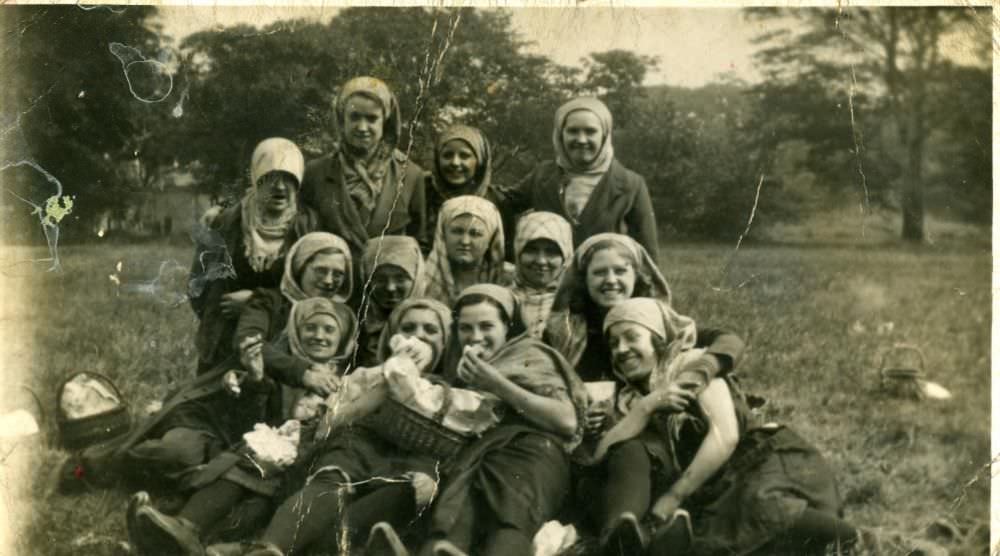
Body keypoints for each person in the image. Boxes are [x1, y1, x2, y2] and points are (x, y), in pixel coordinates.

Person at [593, 298, 855, 556]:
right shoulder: (630, 398)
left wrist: (674, 495)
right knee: (712, 536)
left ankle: (849, 538)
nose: (621, 349)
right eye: (613, 343)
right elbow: (601, 454)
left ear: (658, 338)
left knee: (761, 509)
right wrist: (645, 407)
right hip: (716, 481)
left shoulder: (688, 365)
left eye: (631, 337)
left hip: (759, 457)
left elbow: (725, 436)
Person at [126, 297, 358, 556]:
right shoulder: (281, 369)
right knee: (245, 484)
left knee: (255, 498)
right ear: (296, 331)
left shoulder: (350, 379)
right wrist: (257, 380)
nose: (319, 336)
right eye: (310, 328)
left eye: (329, 330)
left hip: (306, 467)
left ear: (343, 337)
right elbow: (252, 423)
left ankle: (189, 536)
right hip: (264, 463)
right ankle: (184, 530)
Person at [368, 284, 587, 556]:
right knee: (453, 517)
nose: (475, 337)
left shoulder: (530, 354)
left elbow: (567, 421)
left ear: (508, 327)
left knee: (510, 515)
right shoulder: (461, 368)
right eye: (466, 328)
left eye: (487, 327)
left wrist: (496, 383)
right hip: (480, 455)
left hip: (534, 454)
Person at [237, 298, 454, 556]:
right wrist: (389, 382)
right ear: (394, 336)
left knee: (410, 488)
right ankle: (270, 548)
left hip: (405, 465)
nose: (419, 336)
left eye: (431, 330)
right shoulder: (368, 375)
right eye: (408, 328)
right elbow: (328, 424)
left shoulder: (452, 389)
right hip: (354, 451)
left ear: (444, 341)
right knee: (334, 477)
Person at [191, 137, 318, 372]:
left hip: (282, 344)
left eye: (288, 179)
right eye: (271, 178)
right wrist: (218, 317)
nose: (280, 187)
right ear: (257, 179)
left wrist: (256, 304)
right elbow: (197, 289)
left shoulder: (308, 227)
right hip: (223, 345)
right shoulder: (225, 222)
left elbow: (314, 294)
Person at [492, 97, 658, 260]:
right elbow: (504, 202)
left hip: (603, 283)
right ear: (560, 134)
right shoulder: (542, 175)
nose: (581, 139)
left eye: (590, 131)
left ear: (605, 134)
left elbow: (647, 254)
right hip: (550, 282)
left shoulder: (631, 184)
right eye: (572, 131)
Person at [298, 76, 428, 267]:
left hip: (387, 288)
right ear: (342, 119)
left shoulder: (410, 175)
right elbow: (303, 238)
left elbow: (420, 245)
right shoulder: (316, 173)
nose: (362, 127)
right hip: (332, 286)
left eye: (372, 118)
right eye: (354, 117)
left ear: (385, 121)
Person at [418, 196, 513, 307]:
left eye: (475, 233)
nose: (465, 241)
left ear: (490, 239)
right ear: (443, 234)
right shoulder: (421, 279)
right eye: (457, 231)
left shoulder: (508, 280)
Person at [356, 235, 425, 367]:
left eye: (400, 278)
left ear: (416, 277)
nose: (390, 287)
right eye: (380, 279)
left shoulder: (433, 322)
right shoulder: (354, 323)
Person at [426, 124, 501, 240]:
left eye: (464, 156)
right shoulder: (422, 193)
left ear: (479, 161)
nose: (455, 162)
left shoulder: (496, 201)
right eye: (447, 155)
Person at [509, 211, 573, 338]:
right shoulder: (502, 300)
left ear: (566, 256)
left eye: (551, 252)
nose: (541, 261)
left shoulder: (575, 303)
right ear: (518, 252)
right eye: (531, 250)